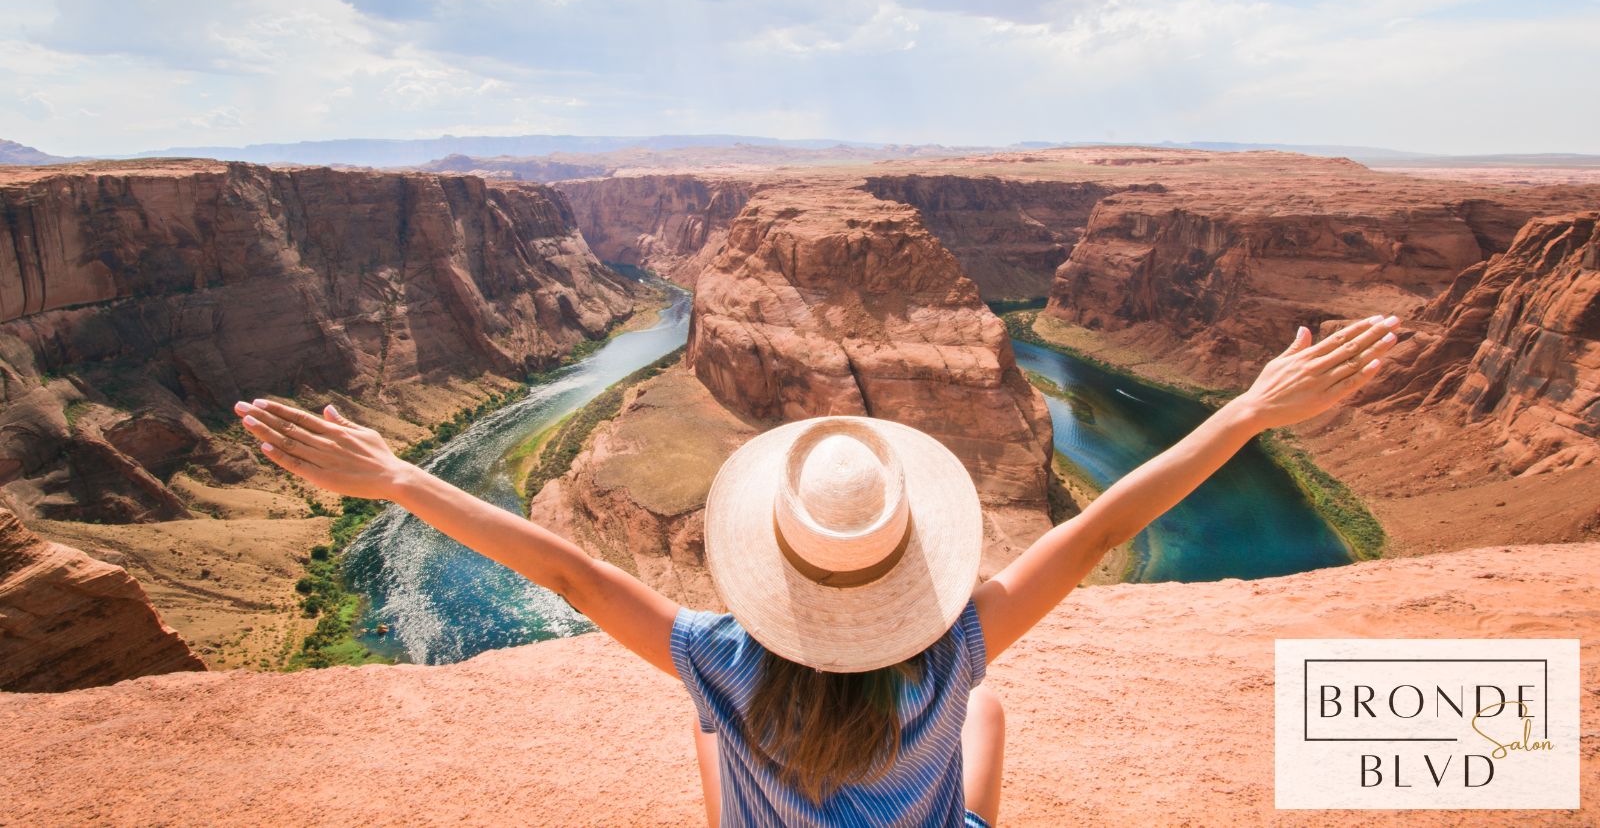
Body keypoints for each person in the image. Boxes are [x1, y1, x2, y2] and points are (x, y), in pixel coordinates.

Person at [233, 314, 1400, 826]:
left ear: (774, 566)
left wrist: (402, 479)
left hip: (743, 734)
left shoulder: (719, 660)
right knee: (989, 713)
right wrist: (1247, 411)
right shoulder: (958, 652)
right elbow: (1096, 535)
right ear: (907, 562)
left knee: (709, 735)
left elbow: (575, 580)